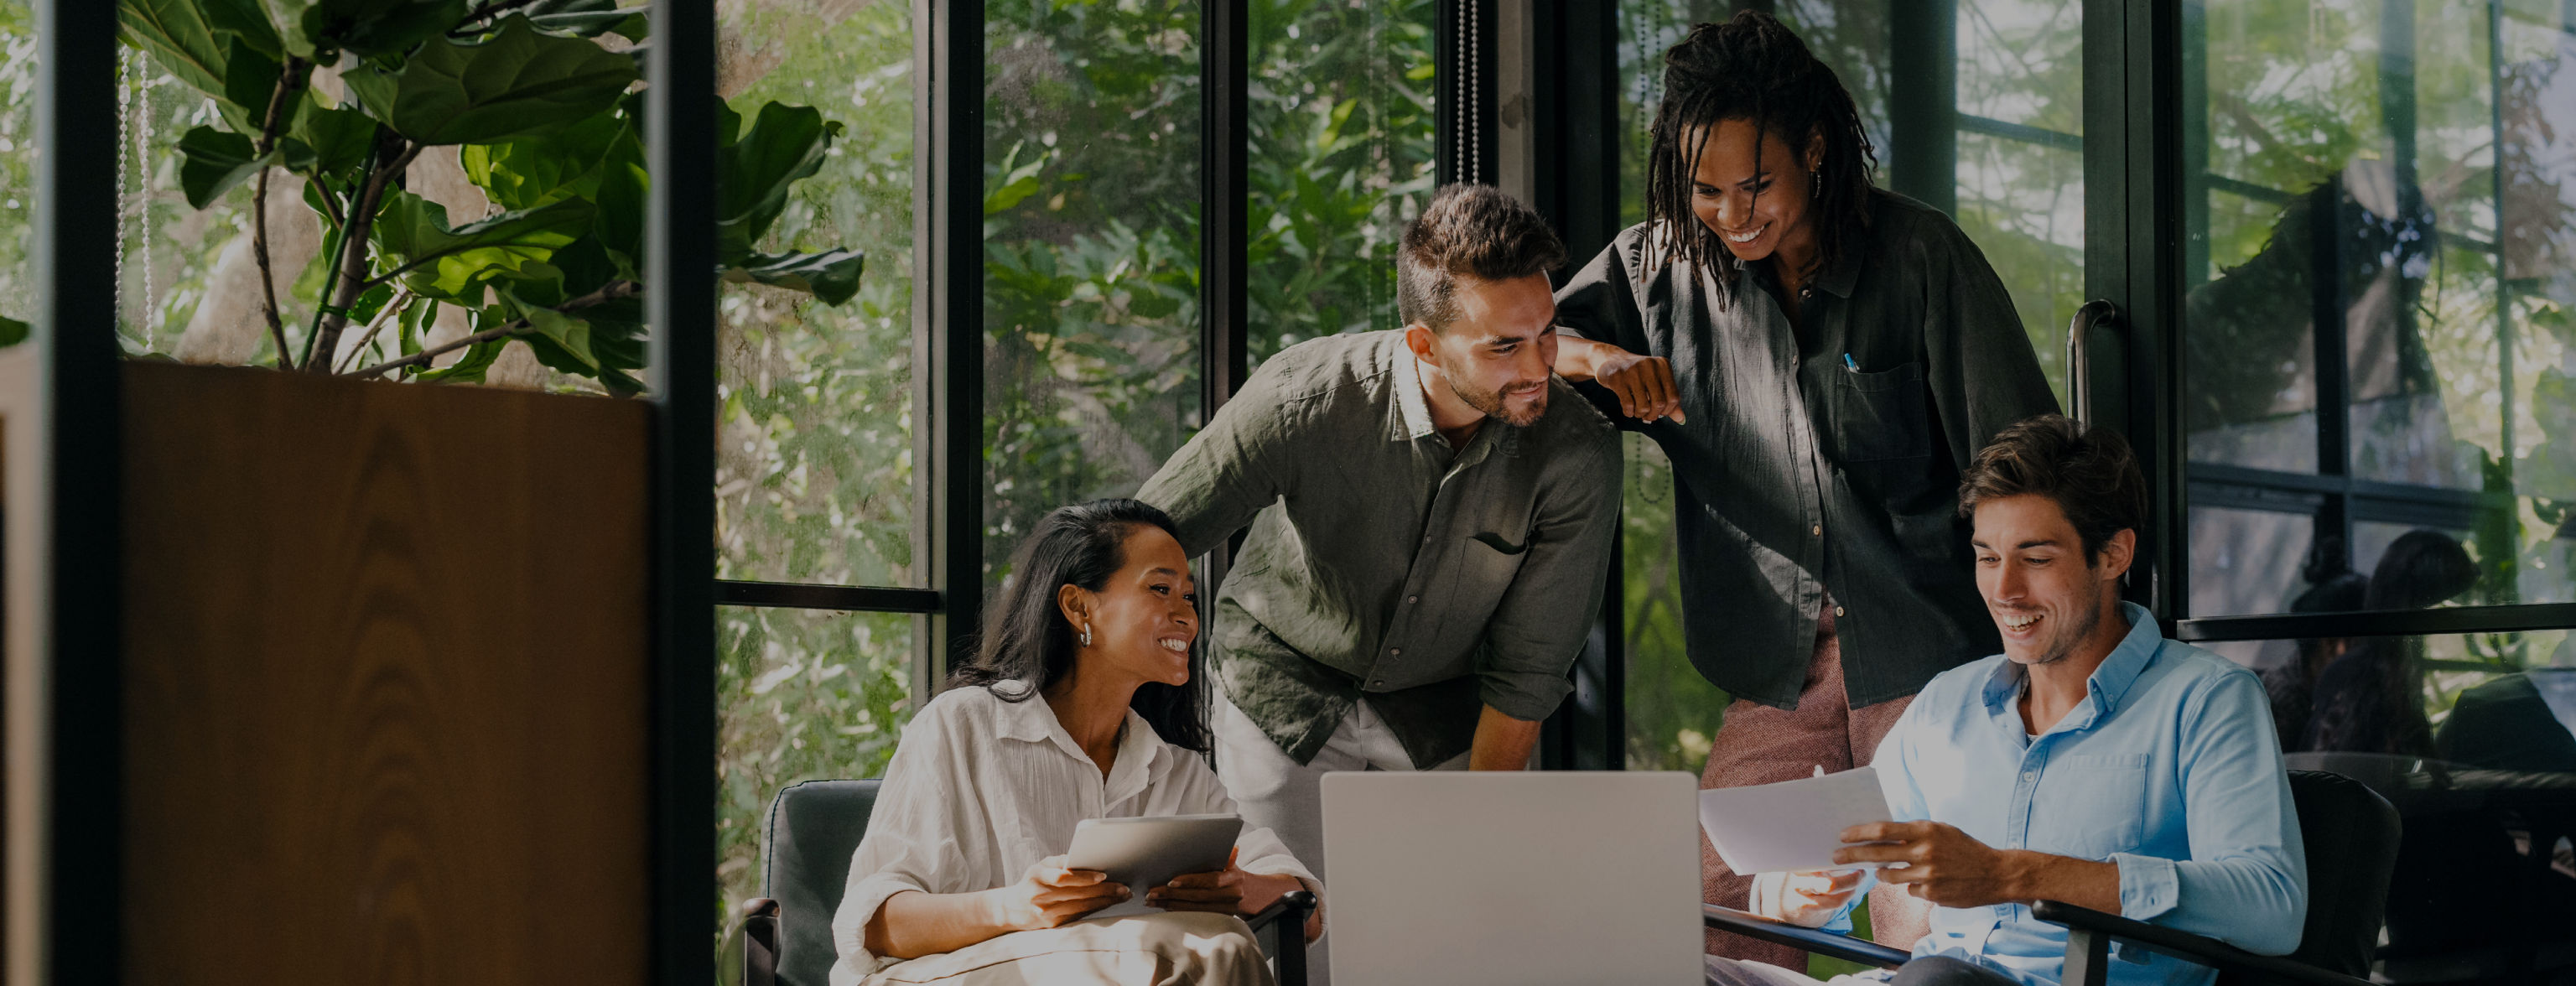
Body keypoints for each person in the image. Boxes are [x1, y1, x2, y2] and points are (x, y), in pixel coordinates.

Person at [1549, 11, 2059, 962]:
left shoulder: (1920, 259)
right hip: (1776, 669)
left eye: (1757, 185)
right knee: (1716, 910)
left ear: (1814, 152)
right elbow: (1524, 343)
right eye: (1706, 191)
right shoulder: (1652, 269)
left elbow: (2024, 464)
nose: (1735, 215)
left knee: (1926, 927)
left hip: (1930, 660)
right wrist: (1598, 358)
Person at [1136, 183, 1622, 980]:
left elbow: (1527, 673)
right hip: (1282, 687)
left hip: (1450, 710)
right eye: (1503, 347)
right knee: (1291, 955)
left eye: (1546, 335)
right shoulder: (1303, 400)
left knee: (1454, 956)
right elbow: (1147, 536)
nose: (1539, 367)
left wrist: (1472, 859)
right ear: (1424, 346)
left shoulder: (1577, 455)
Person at [1708, 415, 2307, 986]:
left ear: (2114, 555)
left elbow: (2271, 906)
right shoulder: (1948, 707)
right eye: (1988, 557)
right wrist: (1803, 894)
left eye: (2036, 559)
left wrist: (2011, 874)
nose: (2004, 590)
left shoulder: (2208, 701)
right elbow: (1848, 866)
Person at [828, 500, 1322, 986]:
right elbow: (875, 925)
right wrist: (1013, 906)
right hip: (940, 976)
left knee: (1207, 942)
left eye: (1189, 597)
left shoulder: (1174, 770)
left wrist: (1242, 888)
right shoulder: (963, 724)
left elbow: (1307, 912)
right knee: (1201, 948)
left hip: (1119, 971)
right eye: (1160, 589)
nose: (1186, 616)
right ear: (1078, 606)